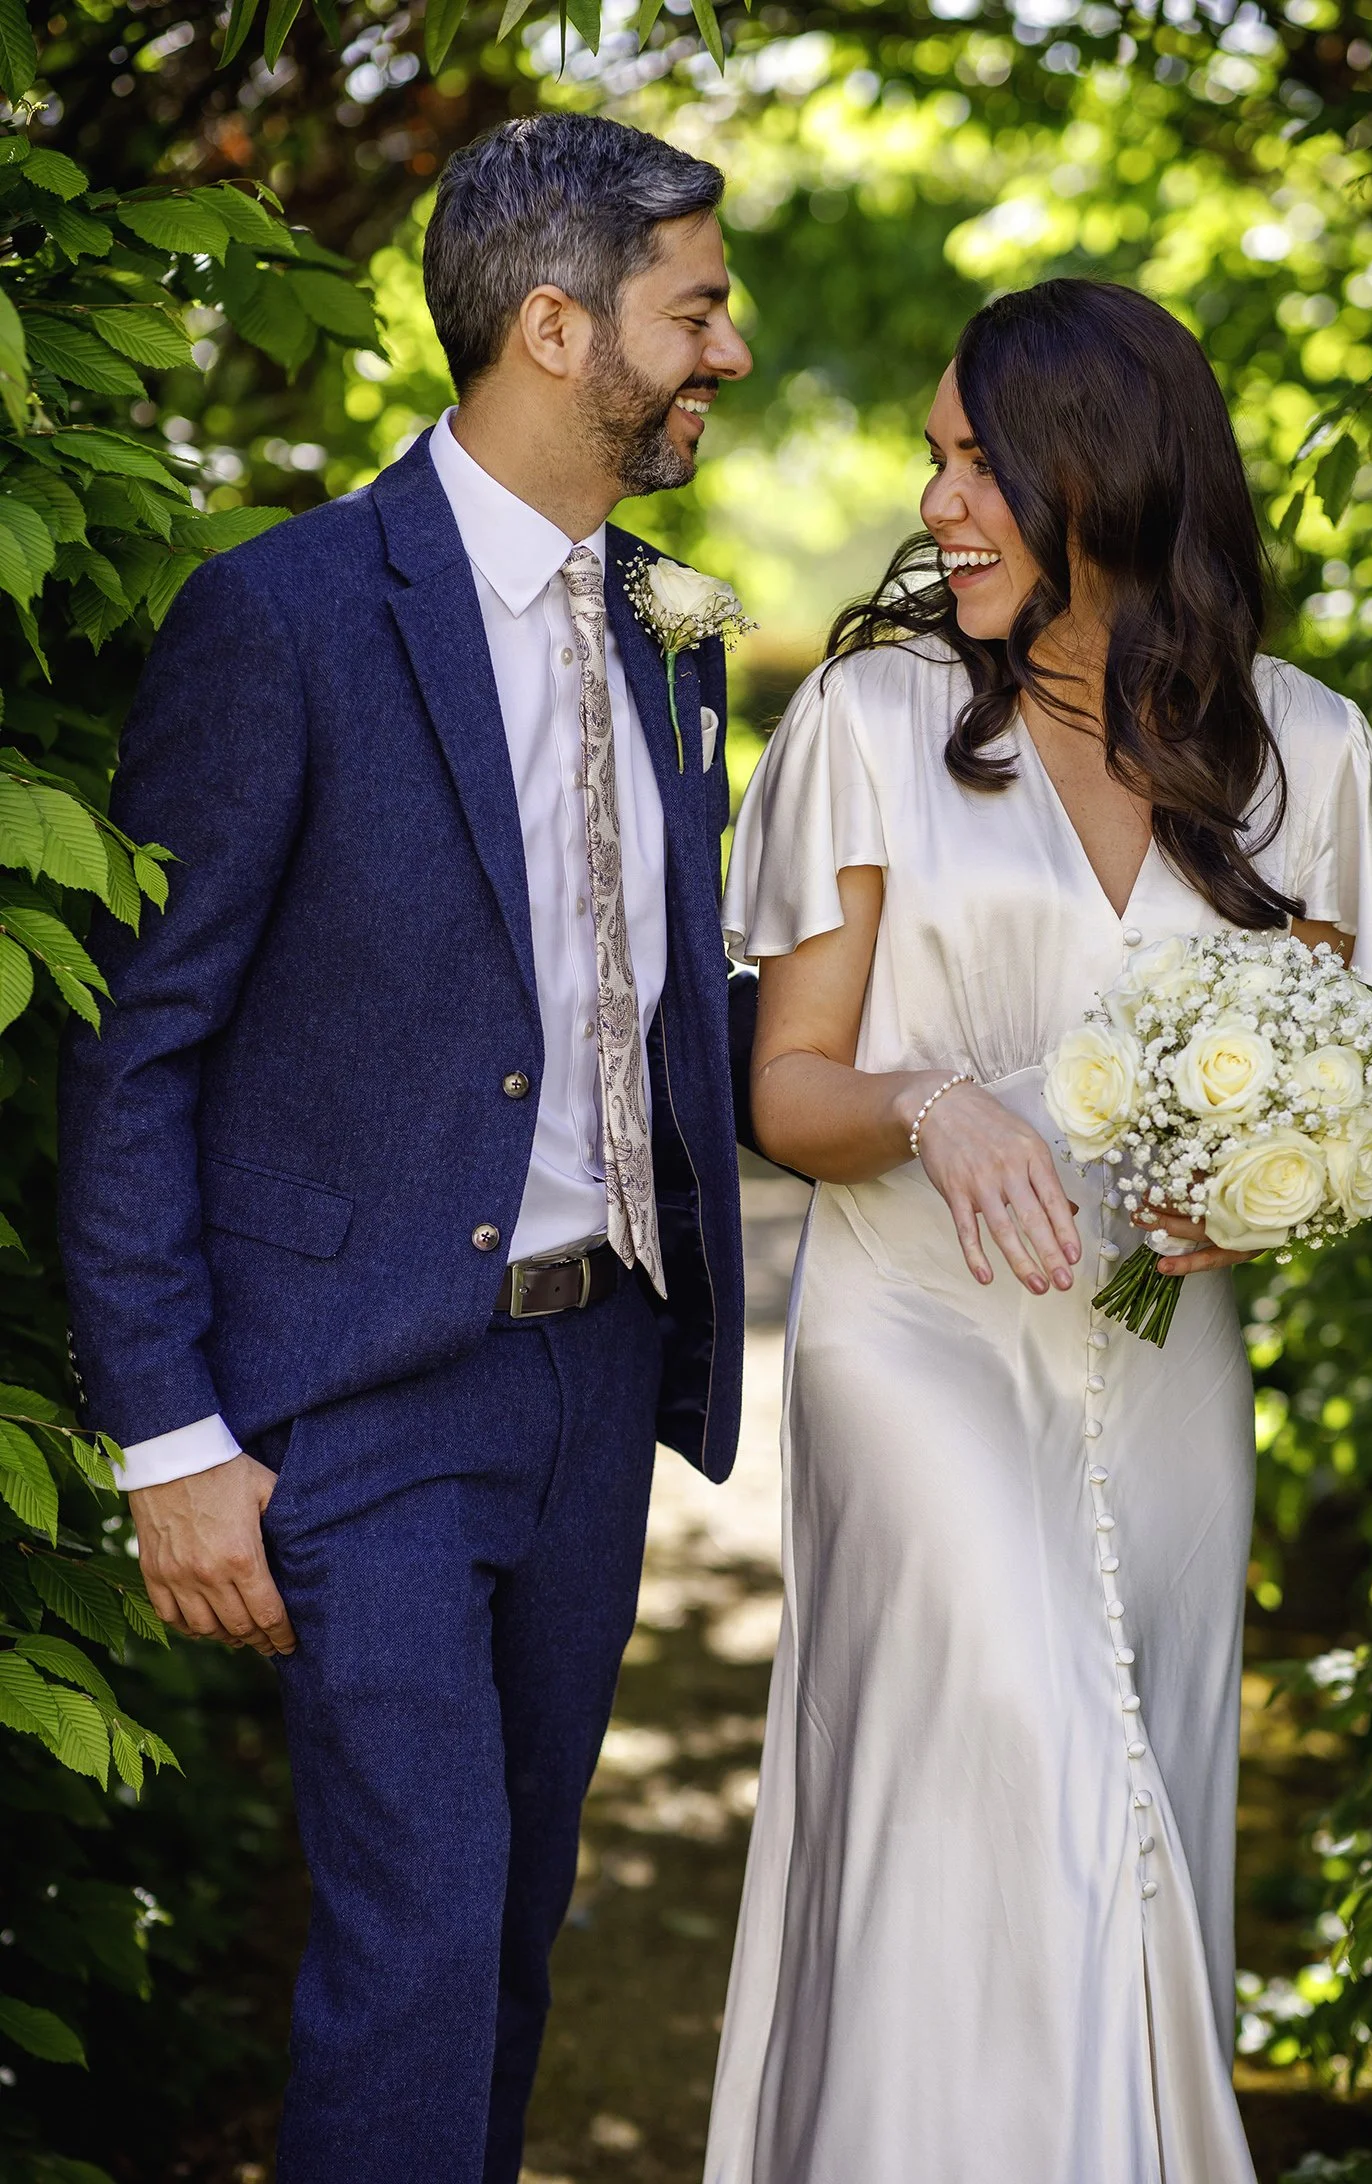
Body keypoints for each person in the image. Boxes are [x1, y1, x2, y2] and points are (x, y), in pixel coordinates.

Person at [56, 114, 753, 2184]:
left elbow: (669, 996)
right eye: (696, 310)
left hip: (597, 1378)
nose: (728, 351)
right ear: (555, 327)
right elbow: (137, 1049)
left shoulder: (678, 630)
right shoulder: (282, 617)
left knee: (511, 1933)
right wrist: (170, 1438)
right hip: (358, 1390)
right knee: (419, 1949)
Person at [707, 277, 1372, 2184]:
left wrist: (1257, 1208)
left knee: (1131, 1794)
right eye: (936, 459)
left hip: (1161, 1364)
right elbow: (788, 1089)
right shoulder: (871, 720)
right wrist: (934, 1104)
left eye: (982, 463)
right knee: (1024, 1743)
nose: (940, 503)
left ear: (1101, 475)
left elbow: (1339, 1096)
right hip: (915, 1341)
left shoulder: (1307, 749)